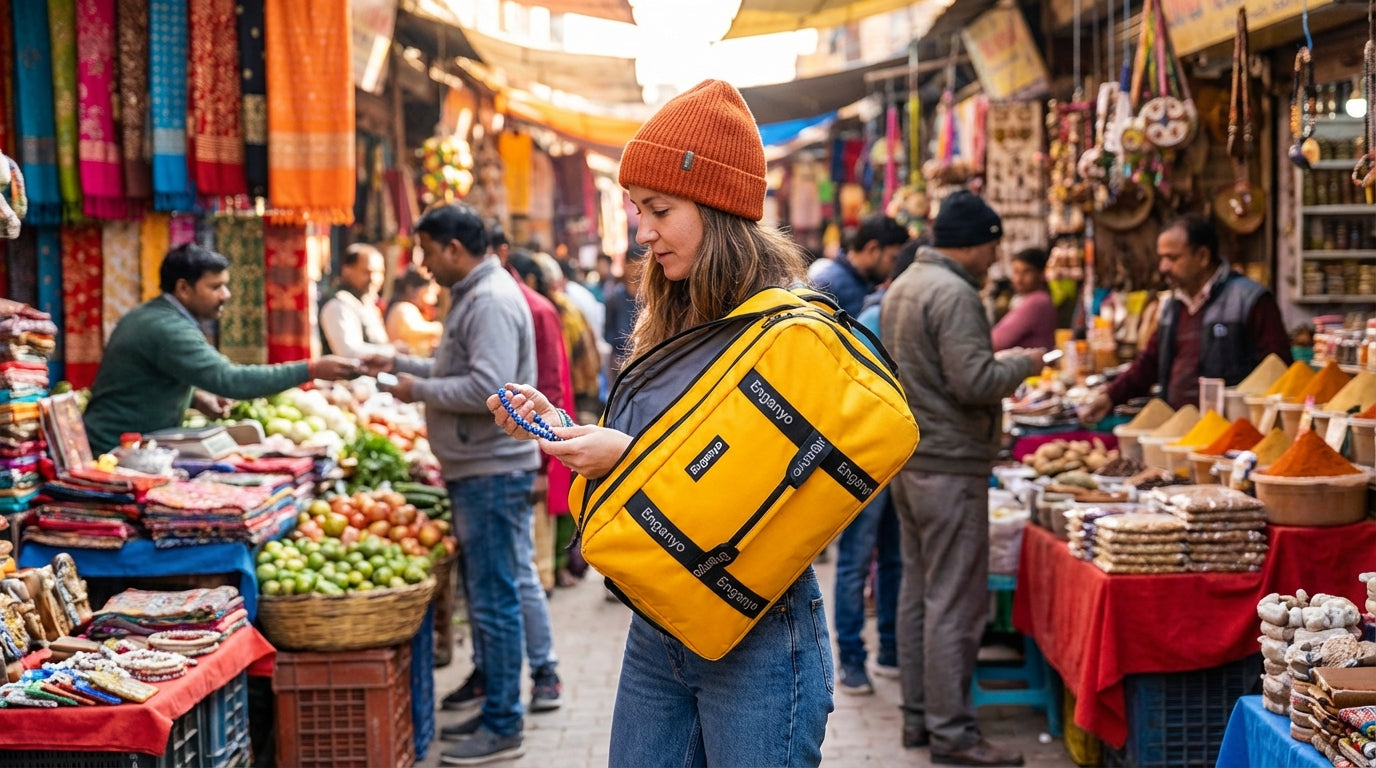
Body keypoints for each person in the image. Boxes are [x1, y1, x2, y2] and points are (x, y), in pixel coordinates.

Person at [486, 79, 833, 767]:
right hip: (659, 622)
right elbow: (662, 445)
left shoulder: (788, 332)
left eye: (659, 209)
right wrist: (563, 427)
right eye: (638, 210)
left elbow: (767, 488)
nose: (642, 231)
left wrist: (630, 456)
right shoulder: (668, 315)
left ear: (719, 207)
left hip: (758, 627)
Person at [373, 203, 543, 765]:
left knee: (495, 602)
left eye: (425, 251)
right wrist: (401, 365)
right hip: (480, 468)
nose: (421, 264)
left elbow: (485, 390)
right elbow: (456, 371)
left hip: (491, 470)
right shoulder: (474, 295)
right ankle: (494, 706)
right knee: (490, 597)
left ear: (452, 248)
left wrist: (413, 390)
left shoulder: (488, 299)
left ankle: (503, 725)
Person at [880, 190, 1042, 766]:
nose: (995, 259)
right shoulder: (954, 292)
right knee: (956, 603)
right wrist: (1025, 362)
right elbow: (974, 380)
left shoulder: (907, 285)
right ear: (974, 243)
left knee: (920, 595)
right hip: (948, 466)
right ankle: (953, 734)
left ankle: (918, 720)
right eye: (993, 246)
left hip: (913, 461)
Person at [82, 244, 361, 454]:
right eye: (215, 287)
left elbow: (144, 377)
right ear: (183, 288)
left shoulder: (151, 316)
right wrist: (311, 369)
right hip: (114, 448)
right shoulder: (168, 329)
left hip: (126, 442)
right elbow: (231, 381)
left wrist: (195, 397)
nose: (225, 295)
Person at [1078, 214, 1291, 421]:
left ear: (1203, 257)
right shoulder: (1173, 306)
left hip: (1232, 432)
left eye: (1172, 258)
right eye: (1161, 258)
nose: (1163, 267)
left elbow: (1278, 370)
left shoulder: (1250, 300)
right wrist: (1109, 397)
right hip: (1181, 430)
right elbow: (1150, 362)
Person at [832, 239, 918, 696]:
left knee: (894, 556)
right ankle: (851, 659)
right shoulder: (871, 319)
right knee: (856, 558)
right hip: (865, 460)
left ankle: (888, 648)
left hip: (898, 458)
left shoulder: (903, 314)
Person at [810, 213, 910, 316]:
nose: (895, 266)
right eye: (893, 259)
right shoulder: (827, 284)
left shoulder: (870, 282)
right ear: (873, 249)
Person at [319, 243, 394, 358]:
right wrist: (391, 351)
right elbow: (348, 353)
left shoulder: (366, 302)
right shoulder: (338, 303)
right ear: (347, 270)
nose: (374, 279)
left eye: (379, 273)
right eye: (366, 272)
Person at [991, 247, 1058, 352]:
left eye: (1026, 272)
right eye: (1016, 272)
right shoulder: (1033, 299)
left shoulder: (1037, 302)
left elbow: (997, 340)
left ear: (1041, 274)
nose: (1019, 279)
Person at [385, 267, 443, 356]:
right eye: (429, 293)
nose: (433, 300)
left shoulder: (411, 309)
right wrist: (438, 328)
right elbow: (413, 330)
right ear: (411, 290)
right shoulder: (403, 308)